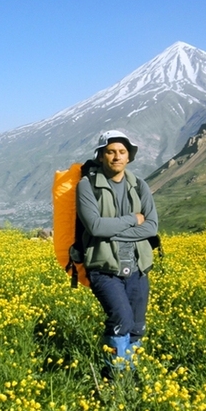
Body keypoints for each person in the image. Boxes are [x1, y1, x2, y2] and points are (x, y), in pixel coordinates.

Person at [76, 130, 159, 374]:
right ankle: (113, 375)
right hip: (104, 267)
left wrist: (110, 231)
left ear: (129, 157)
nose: (116, 157)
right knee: (121, 319)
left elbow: (152, 227)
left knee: (137, 325)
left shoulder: (139, 184)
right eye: (110, 152)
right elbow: (94, 226)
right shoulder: (87, 185)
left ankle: (131, 374)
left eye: (122, 152)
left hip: (138, 266)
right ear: (101, 156)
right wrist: (133, 219)